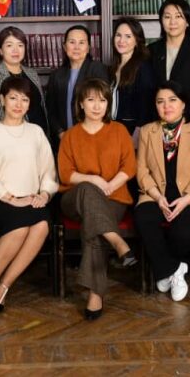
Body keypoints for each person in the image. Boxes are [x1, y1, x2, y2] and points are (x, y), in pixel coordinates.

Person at [0, 76, 58, 314]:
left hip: (31, 199)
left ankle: (4, 286)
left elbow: (48, 170)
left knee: (42, 224)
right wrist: (12, 199)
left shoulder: (36, 132)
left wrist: (44, 194)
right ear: (2, 100)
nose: (19, 104)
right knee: (20, 224)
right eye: (13, 98)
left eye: (24, 99)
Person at [57, 78, 137, 320]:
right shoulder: (70, 136)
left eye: (102, 100)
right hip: (74, 198)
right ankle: (117, 240)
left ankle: (95, 294)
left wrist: (110, 185)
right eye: (91, 100)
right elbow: (65, 174)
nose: (97, 106)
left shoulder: (119, 130)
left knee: (94, 224)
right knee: (88, 190)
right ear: (81, 103)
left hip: (114, 196)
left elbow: (130, 166)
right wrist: (94, 180)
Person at [134, 80, 190, 302]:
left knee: (182, 231)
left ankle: (165, 270)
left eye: (172, 100)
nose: (166, 106)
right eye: (160, 101)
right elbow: (141, 170)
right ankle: (173, 269)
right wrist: (157, 197)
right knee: (144, 219)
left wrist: (186, 199)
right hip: (155, 194)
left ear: (183, 104)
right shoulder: (148, 131)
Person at [148, 0, 190, 131]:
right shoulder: (152, 50)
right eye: (167, 17)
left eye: (178, 16)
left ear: (187, 21)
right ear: (161, 21)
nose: (172, 22)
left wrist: (182, 119)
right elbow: (149, 89)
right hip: (160, 123)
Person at [45, 25, 109, 149]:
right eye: (72, 42)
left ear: (88, 47)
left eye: (81, 42)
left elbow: (102, 106)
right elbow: (50, 109)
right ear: (65, 46)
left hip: (91, 138)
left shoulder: (97, 69)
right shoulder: (56, 75)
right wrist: (60, 133)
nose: (76, 47)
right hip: (64, 140)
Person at [0, 26, 48, 135]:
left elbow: (41, 107)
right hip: (11, 138)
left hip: (40, 135)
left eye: (20, 45)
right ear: (0, 50)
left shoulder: (32, 73)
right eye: (9, 45)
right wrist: (11, 131)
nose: (15, 50)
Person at [109, 17, 157, 139]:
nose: (121, 40)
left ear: (137, 41)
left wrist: (136, 135)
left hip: (133, 131)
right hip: (112, 129)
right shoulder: (112, 68)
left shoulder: (143, 67)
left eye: (128, 36)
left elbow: (146, 105)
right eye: (118, 35)